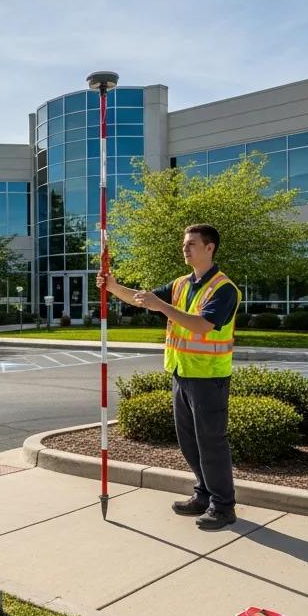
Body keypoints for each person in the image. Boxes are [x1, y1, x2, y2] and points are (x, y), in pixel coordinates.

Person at [98, 223, 240, 531]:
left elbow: (202, 326)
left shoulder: (224, 289)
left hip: (209, 378)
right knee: (189, 442)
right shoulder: (180, 284)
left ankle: (224, 507)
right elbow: (141, 298)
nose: (184, 248)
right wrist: (112, 287)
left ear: (209, 248)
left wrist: (160, 306)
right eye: (184, 243)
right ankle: (204, 495)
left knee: (212, 443)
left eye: (191, 243)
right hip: (181, 374)